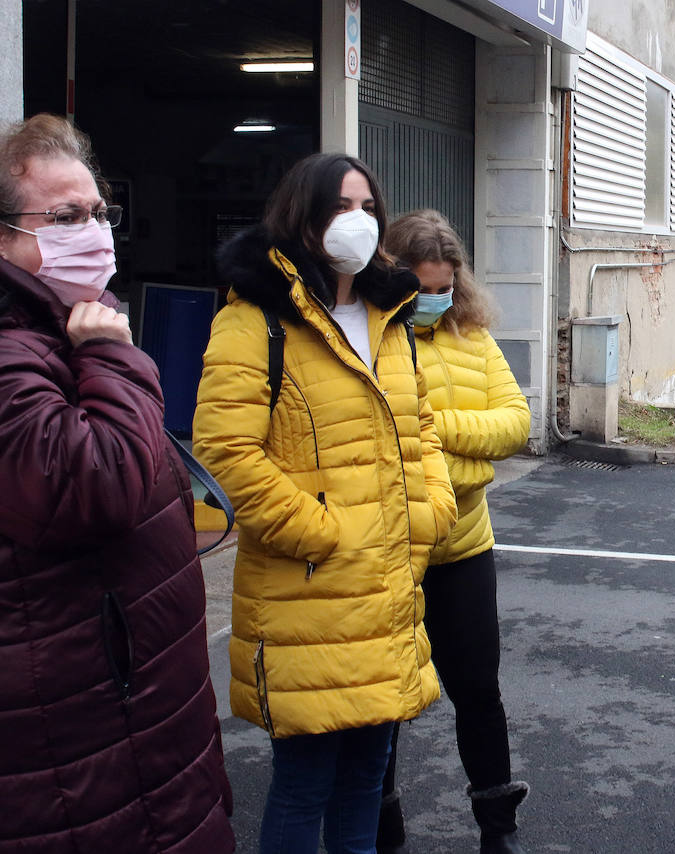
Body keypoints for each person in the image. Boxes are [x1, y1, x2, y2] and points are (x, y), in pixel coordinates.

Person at [193, 152, 458, 854]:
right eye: (342, 207)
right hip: (309, 592)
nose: (360, 222)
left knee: (368, 781)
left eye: (369, 207)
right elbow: (226, 453)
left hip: (386, 591)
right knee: (305, 784)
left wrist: (431, 507)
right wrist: (322, 532)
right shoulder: (256, 317)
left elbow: (421, 427)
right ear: (302, 219)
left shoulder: (390, 314)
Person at [0, 114, 235, 852]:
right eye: (65, 217)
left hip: (138, 722)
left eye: (100, 213)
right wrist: (114, 355)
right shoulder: (28, 351)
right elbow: (94, 483)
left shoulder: (58, 329)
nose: (95, 232)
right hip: (79, 746)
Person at [374, 210, 532, 854]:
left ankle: (498, 825)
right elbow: (377, 444)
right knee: (382, 698)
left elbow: (515, 423)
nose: (433, 300)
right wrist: (464, 449)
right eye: (420, 288)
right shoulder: (364, 338)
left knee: (478, 689)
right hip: (388, 548)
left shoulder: (473, 336)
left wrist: (432, 425)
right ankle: (381, 829)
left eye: (443, 287)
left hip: (464, 546)